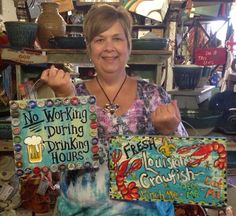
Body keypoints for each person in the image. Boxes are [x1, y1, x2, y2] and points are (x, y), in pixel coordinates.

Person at [40, 4, 188, 216]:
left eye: (117, 38)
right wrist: (67, 99)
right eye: (100, 39)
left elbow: (185, 171)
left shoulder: (155, 95)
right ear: (89, 48)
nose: (109, 47)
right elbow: (52, 163)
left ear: (129, 45)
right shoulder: (72, 93)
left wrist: (170, 131)